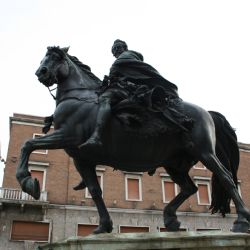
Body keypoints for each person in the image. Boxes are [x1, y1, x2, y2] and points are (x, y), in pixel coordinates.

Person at [79, 39, 193, 149]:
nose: (116, 51)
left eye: (118, 48)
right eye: (114, 50)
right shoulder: (131, 61)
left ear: (125, 48)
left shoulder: (123, 59)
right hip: (131, 91)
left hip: (128, 91)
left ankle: (97, 136)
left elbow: (115, 77)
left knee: (105, 98)